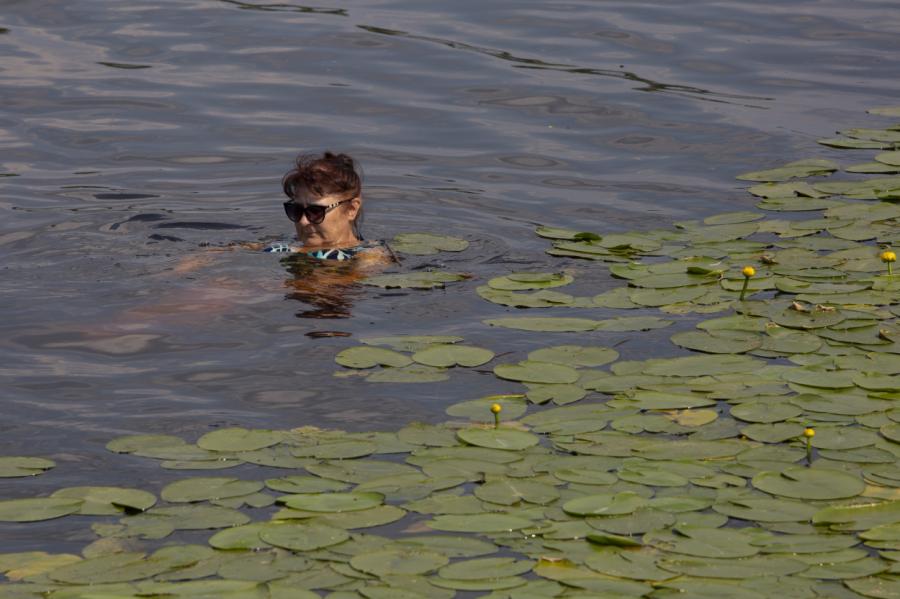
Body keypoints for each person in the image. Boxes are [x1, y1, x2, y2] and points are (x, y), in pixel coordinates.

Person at [264, 152, 393, 265]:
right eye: (296, 210)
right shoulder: (288, 242)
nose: (303, 221)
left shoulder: (371, 256)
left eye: (315, 211)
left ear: (351, 210)